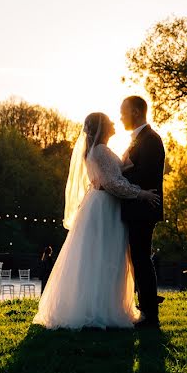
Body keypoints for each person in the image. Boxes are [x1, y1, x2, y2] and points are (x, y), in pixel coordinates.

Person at [32, 112, 161, 330]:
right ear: (101, 127)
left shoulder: (98, 151)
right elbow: (112, 183)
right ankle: (100, 309)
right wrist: (142, 194)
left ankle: (100, 305)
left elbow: (116, 173)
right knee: (105, 256)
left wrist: (129, 162)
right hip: (104, 206)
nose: (114, 122)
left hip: (99, 204)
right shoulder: (100, 151)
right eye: (109, 121)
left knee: (100, 256)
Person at [119, 96, 166, 328]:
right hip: (137, 208)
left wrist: (118, 177)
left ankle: (150, 314)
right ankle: (147, 306)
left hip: (144, 209)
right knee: (138, 259)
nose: (120, 117)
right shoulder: (140, 139)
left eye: (123, 112)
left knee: (141, 260)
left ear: (136, 112)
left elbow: (144, 176)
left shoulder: (151, 140)